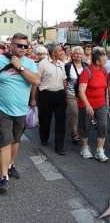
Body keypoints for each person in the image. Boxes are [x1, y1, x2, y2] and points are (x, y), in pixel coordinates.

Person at [0, 33, 40, 193]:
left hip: (21, 110)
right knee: (5, 141)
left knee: (16, 140)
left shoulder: (30, 63)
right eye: (19, 45)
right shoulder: (1, 60)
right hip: (2, 109)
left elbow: (36, 81)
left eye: (25, 46)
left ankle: (11, 165)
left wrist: (20, 67)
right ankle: (4, 177)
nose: (23, 48)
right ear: (11, 45)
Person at [35, 42, 68, 155]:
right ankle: (44, 138)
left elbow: (64, 80)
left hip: (60, 95)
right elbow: (36, 81)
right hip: (46, 95)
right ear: (53, 53)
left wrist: (66, 94)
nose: (61, 52)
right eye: (59, 51)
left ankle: (59, 146)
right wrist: (33, 99)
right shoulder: (42, 64)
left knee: (60, 121)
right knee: (45, 119)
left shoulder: (61, 64)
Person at [77, 50, 109, 162]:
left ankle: (99, 150)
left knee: (103, 126)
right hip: (86, 104)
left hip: (101, 104)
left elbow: (105, 87)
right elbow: (81, 91)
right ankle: (85, 148)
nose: (106, 61)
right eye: (104, 60)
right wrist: (87, 106)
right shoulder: (86, 72)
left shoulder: (104, 70)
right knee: (85, 126)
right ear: (97, 61)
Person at [65, 46, 88, 145]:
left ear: (82, 55)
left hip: (83, 94)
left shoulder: (86, 66)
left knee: (83, 114)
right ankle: (74, 134)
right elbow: (64, 81)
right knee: (74, 112)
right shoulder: (68, 66)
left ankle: (81, 131)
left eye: (80, 53)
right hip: (71, 93)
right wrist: (66, 93)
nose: (78, 55)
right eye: (76, 53)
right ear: (72, 55)